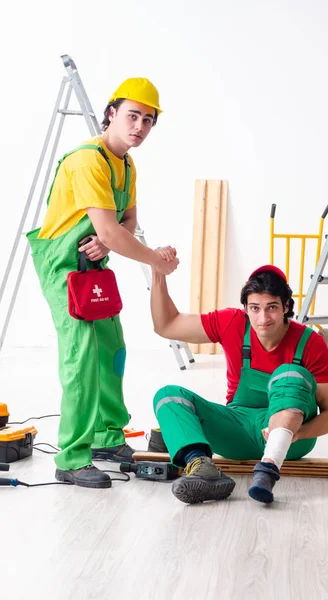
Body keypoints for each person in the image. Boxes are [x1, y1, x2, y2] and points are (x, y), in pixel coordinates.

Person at [27, 78, 178, 489]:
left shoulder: (126, 164)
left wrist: (107, 236)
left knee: (112, 349)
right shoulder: (88, 160)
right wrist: (156, 263)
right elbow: (113, 233)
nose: (140, 126)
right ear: (111, 113)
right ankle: (71, 456)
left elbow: (126, 222)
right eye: (133, 115)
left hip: (93, 267)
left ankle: (106, 439)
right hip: (62, 265)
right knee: (81, 358)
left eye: (148, 120)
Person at [149, 260, 328, 504]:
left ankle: (267, 471)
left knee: (290, 373)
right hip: (237, 429)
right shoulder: (232, 323)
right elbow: (166, 325)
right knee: (168, 396)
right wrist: (157, 273)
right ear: (245, 308)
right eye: (255, 308)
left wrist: (295, 434)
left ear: (286, 307)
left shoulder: (311, 343)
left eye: (271, 307)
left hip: (292, 439)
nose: (263, 318)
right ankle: (200, 467)